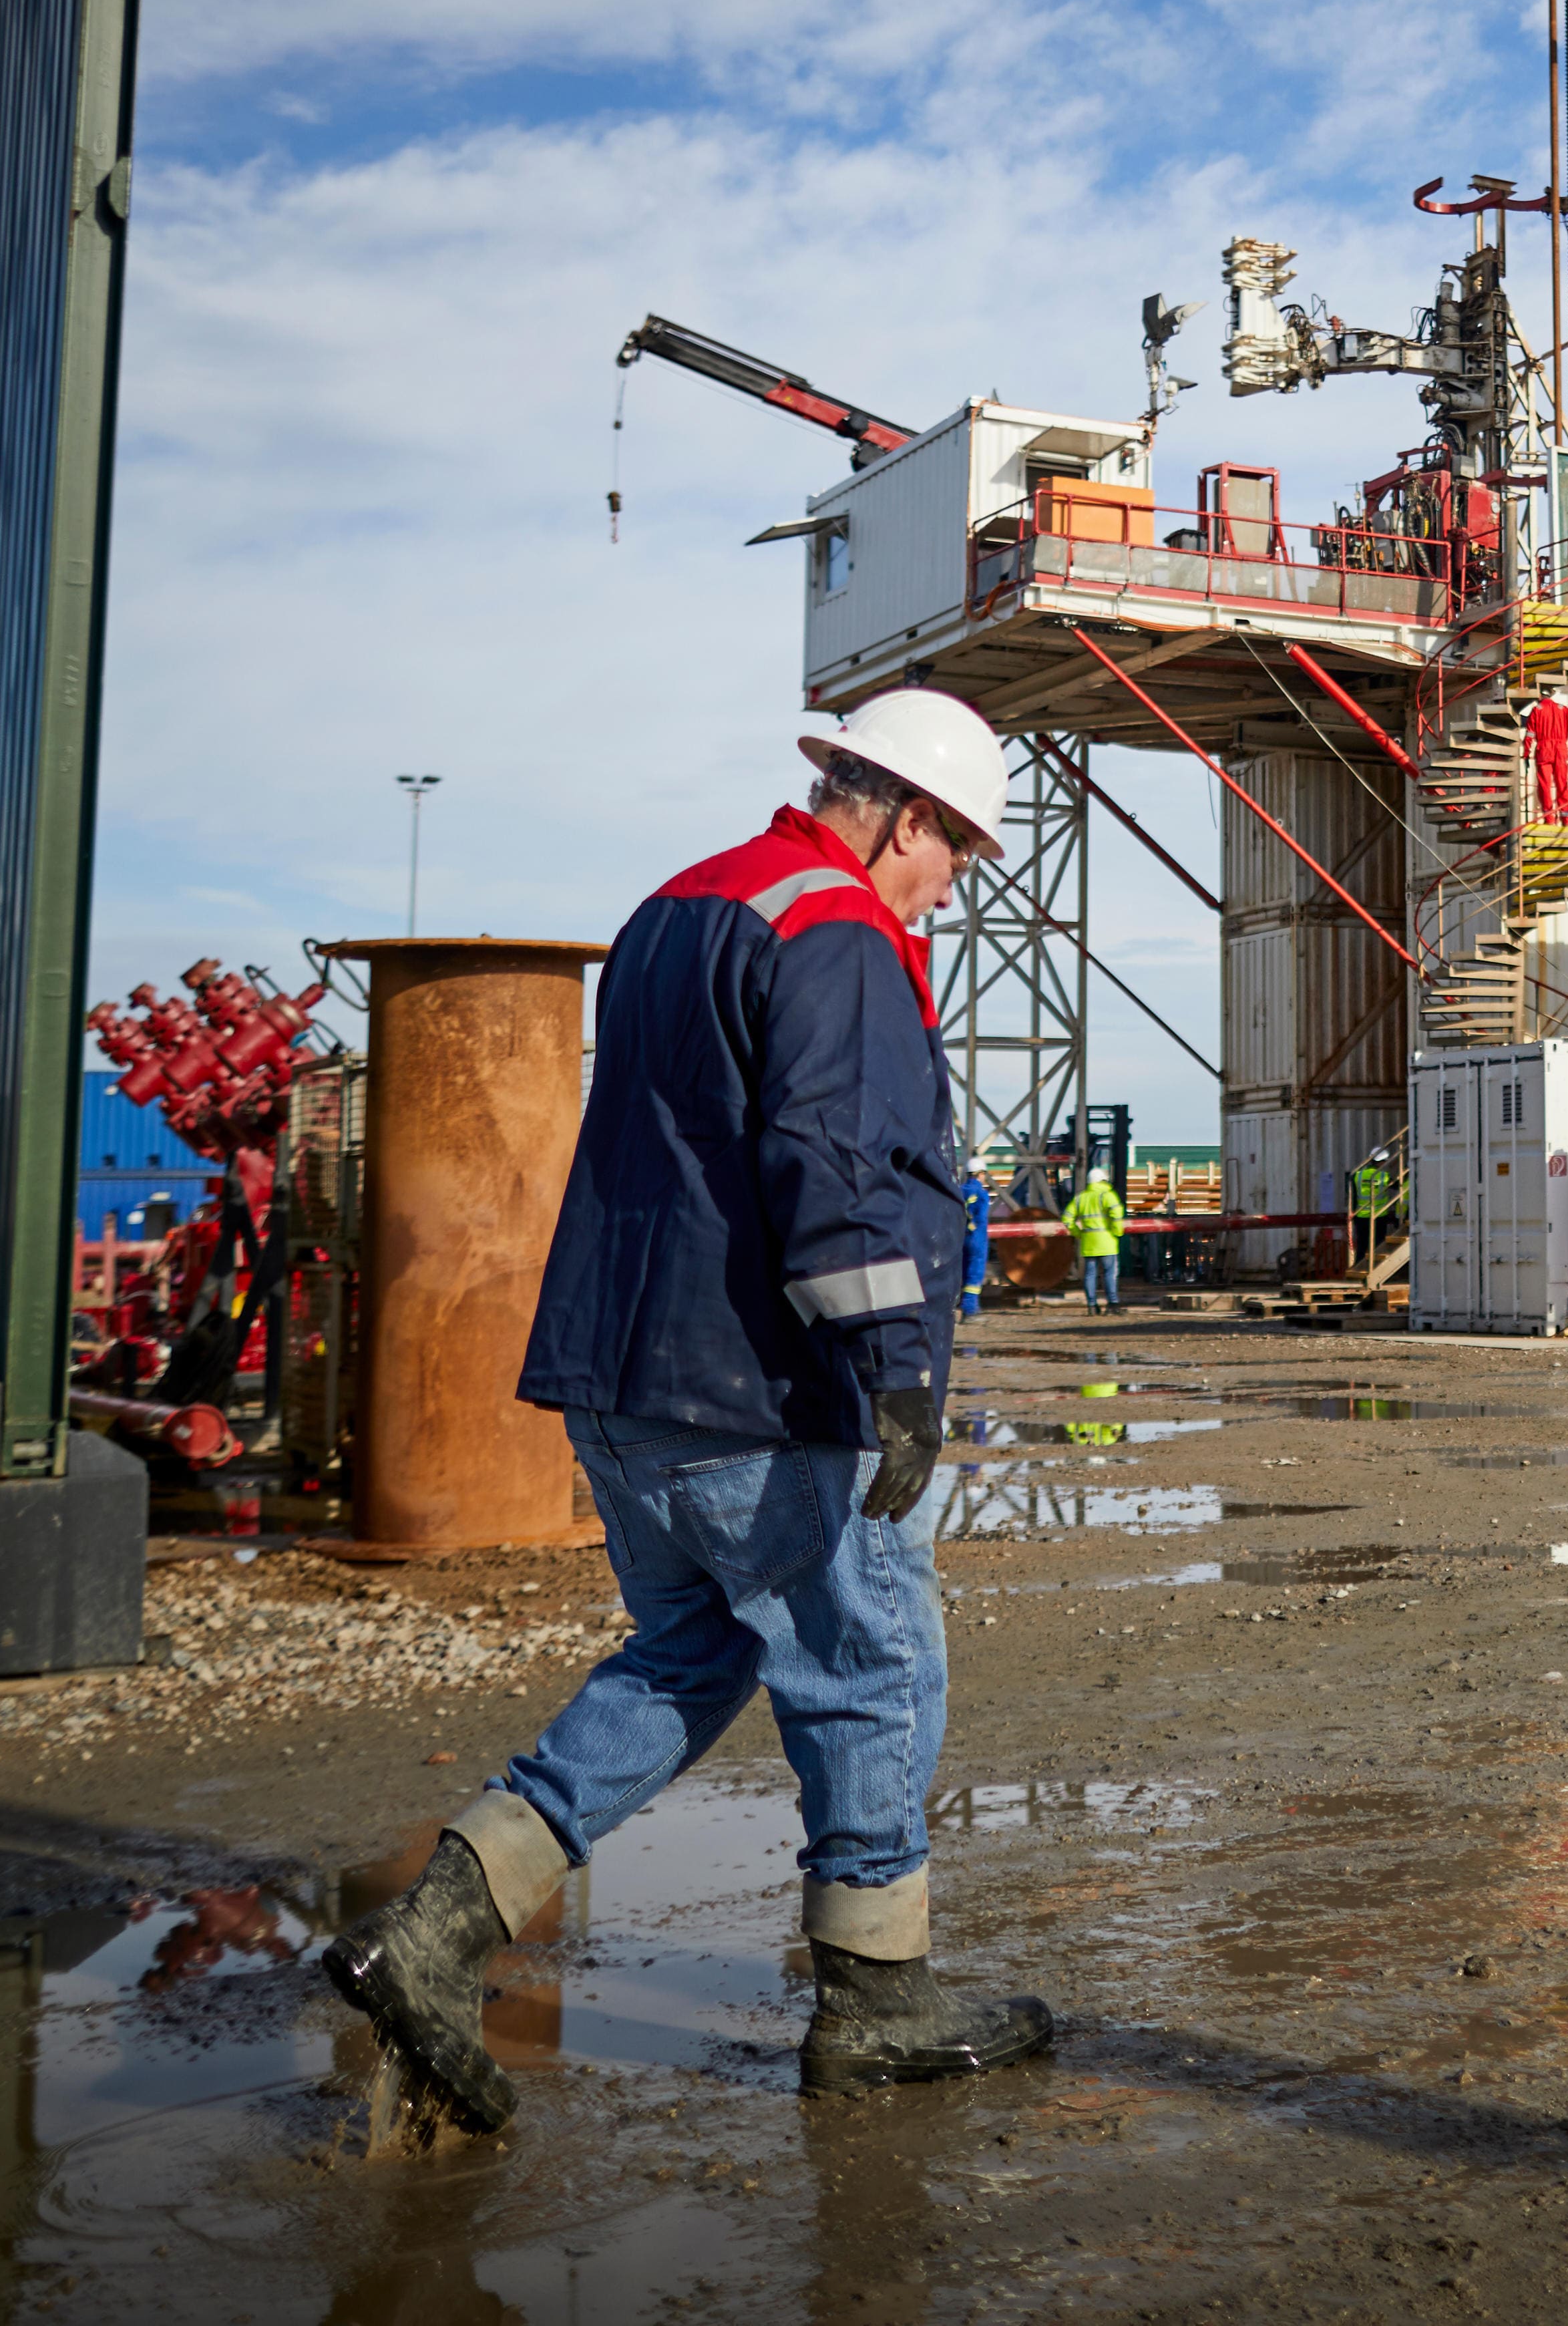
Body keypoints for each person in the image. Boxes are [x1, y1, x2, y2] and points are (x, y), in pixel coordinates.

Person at [325, 690, 1049, 2126]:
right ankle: (876, 2000)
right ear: (899, 811)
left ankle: (434, 1932)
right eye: (954, 848)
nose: (953, 881)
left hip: (625, 1384)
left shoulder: (679, 904)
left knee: (690, 1655)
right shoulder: (836, 927)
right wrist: (898, 1365)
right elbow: (835, 1165)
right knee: (875, 1661)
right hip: (763, 1391)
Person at [1063, 1165, 1126, 1311]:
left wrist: (1077, 1233)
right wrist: (1118, 1231)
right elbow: (1117, 1214)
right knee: (1110, 1274)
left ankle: (1092, 1305)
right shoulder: (1108, 1195)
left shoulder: (1080, 1198)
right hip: (1107, 1242)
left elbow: (1067, 1218)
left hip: (1088, 1243)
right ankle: (1113, 1304)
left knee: (1090, 1275)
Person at [1521, 688, 1568, 822]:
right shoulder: (1563, 709)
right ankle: (1567, 820)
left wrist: (1526, 754)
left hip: (1544, 749)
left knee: (1545, 785)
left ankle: (1549, 819)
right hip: (1561, 750)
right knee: (1562, 784)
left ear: (1539, 696)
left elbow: (1530, 735)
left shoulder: (1537, 710)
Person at [956, 1157, 992, 1321]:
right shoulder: (982, 1194)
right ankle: (970, 1310)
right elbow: (981, 1217)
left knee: (962, 1271)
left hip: (960, 1237)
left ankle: (957, 1305)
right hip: (977, 1238)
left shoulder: (959, 1191)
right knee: (975, 1273)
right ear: (980, 1174)